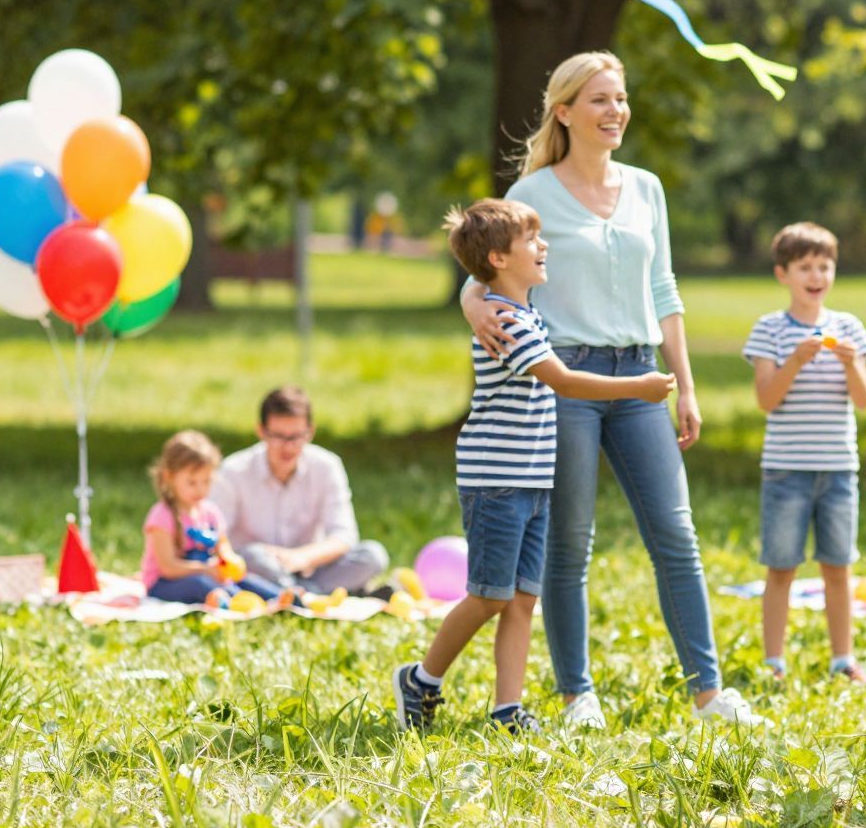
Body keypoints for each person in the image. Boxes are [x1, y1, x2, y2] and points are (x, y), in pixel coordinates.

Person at [460, 52, 763, 728]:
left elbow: (664, 291)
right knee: (570, 543)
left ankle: (709, 694)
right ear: (564, 112)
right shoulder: (533, 192)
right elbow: (485, 265)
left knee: (676, 533)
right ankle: (578, 696)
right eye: (599, 99)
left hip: (640, 375)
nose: (615, 111)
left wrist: (685, 387)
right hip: (564, 379)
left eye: (620, 98)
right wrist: (470, 302)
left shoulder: (646, 188)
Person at [397, 199, 675, 735]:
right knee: (489, 595)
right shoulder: (507, 321)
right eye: (531, 239)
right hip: (497, 481)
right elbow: (564, 380)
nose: (544, 246)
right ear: (499, 258)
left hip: (530, 478)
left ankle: (507, 709)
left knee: (524, 597)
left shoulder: (525, 313)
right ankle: (421, 679)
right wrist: (637, 388)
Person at [743, 222, 866, 683]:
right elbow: (766, 399)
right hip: (786, 472)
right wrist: (795, 361)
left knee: (838, 568)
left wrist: (853, 365)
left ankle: (843, 659)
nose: (816, 275)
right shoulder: (770, 330)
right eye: (805, 267)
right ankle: (773, 662)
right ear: (783, 274)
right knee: (781, 567)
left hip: (838, 470)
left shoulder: (849, 328)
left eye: (824, 266)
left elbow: (864, 401)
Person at [211, 387, 389, 597]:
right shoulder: (233, 471)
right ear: (261, 431)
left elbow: (344, 535)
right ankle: (312, 595)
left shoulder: (327, 465)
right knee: (253, 555)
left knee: (373, 555)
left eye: (296, 437)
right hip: (260, 567)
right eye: (278, 436)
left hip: (311, 565)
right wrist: (269, 556)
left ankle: (294, 595)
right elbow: (216, 536)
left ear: (310, 432)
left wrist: (302, 557)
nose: (288, 447)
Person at [143, 430, 293, 609]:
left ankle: (281, 597)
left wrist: (229, 561)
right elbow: (168, 567)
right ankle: (238, 603)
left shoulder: (210, 512)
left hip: (206, 574)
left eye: (206, 481)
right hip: (164, 583)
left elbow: (223, 545)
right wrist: (205, 569)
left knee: (242, 579)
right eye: (192, 482)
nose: (200, 489)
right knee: (200, 583)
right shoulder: (162, 515)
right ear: (169, 477)